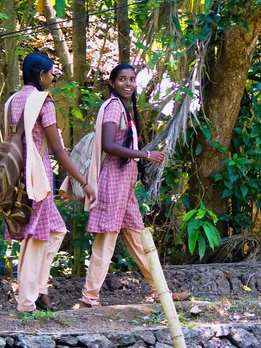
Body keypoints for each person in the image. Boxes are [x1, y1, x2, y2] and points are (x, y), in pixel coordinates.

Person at [77, 63, 190, 308]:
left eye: (131, 79)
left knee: (141, 243)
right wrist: (145, 155)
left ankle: (162, 293)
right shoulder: (113, 109)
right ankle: (89, 298)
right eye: (122, 79)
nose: (128, 84)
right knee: (105, 243)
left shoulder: (123, 108)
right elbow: (108, 145)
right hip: (113, 184)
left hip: (125, 187)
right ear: (112, 83)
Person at [8, 52, 95, 313]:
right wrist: (83, 181)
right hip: (38, 178)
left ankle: (40, 288)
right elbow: (58, 150)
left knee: (55, 231)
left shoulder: (13, 101)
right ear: (40, 74)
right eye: (50, 73)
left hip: (17, 176)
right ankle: (26, 301)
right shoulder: (44, 102)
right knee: (36, 238)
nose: (52, 78)